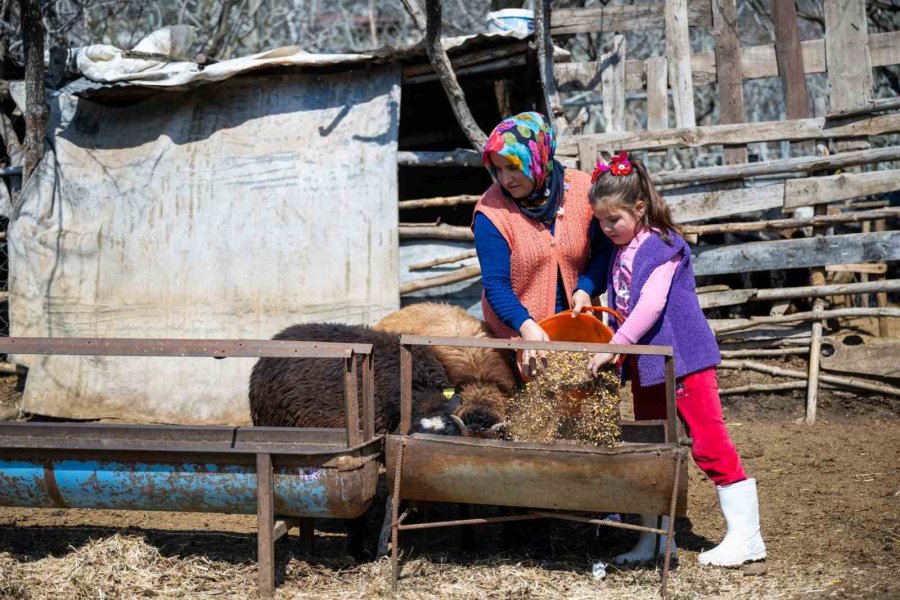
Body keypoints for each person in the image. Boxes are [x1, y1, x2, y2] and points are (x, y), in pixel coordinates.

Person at [578, 151, 766, 567]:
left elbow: (649, 306)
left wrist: (615, 345)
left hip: (683, 359)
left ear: (640, 208)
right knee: (651, 445)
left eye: (614, 220)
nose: (607, 229)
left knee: (708, 441)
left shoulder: (663, 245)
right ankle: (654, 539)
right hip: (648, 362)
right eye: (601, 221)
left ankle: (747, 536)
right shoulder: (622, 248)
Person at [473, 112, 612, 363]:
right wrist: (524, 325)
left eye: (513, 167)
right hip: (518, 332)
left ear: (538, 157)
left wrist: (586, 288)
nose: (505, 179)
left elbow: (604, 251)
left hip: (578, 326)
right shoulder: (491, 212)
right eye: (498, 169)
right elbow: (495, 284)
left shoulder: (581, 190)